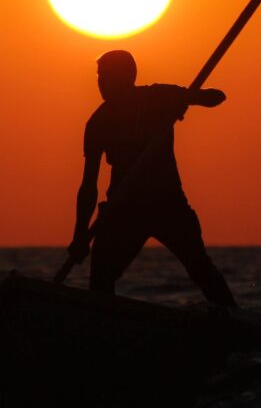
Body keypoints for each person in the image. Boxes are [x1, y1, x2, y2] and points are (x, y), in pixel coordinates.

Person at [67, 50, 236, 307]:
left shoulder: (158, 97)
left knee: (200, 268)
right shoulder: (98, 123)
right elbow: (88, 185)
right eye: (99, 77)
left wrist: (186, 99)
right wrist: (80, 236)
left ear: (126, 77)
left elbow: (216, 97)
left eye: (107, 77)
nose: (101, 83)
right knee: (101, 276)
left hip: (167, 204)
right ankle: (101, 327)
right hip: (123, 210)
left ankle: (231, 319)